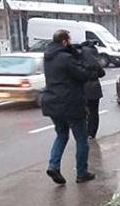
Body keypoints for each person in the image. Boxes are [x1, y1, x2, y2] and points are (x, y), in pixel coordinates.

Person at [40, 30, 95, 184]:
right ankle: (82, 173)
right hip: (71, 103)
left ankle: (54, 165)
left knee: (61, 135)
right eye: (69, 40)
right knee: (81, 139)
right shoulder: (65, 58)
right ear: (64, 42)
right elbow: (82, 75)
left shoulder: (48, 57)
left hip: (52, 103)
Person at [77, 41, 106, 140]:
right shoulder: (95, 59)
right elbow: (102, 73)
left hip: (83, 88)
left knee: (84, 112)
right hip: (95, 89)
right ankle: (92, 133)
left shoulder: (80, 59)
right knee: (94, 112)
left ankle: (84, 132)